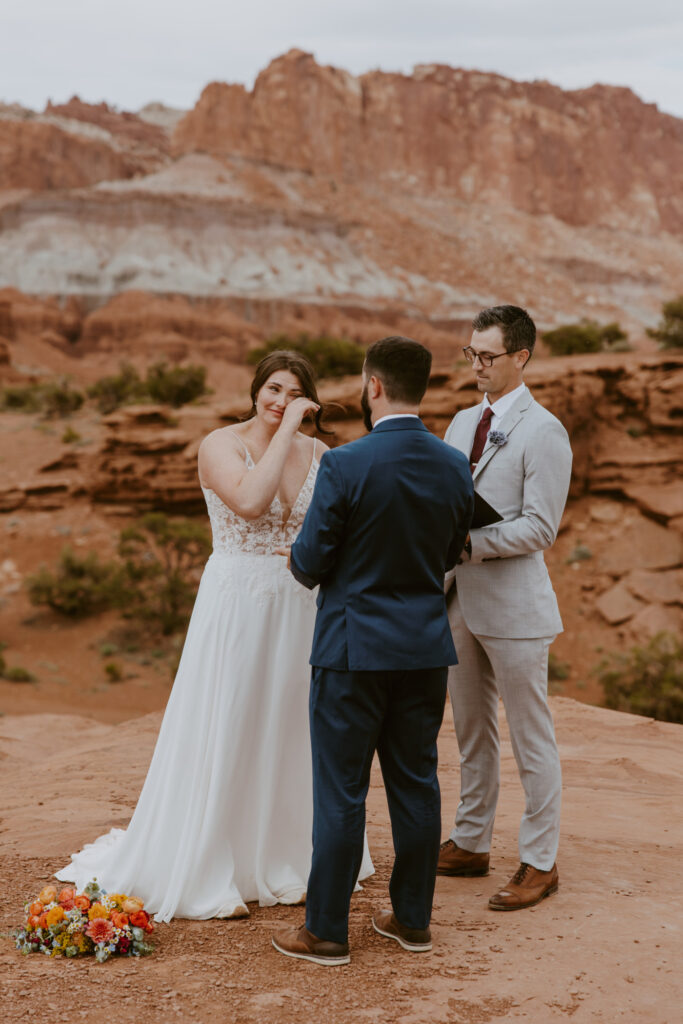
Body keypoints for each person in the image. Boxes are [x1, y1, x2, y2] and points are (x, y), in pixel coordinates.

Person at [57, 350, 372, 921]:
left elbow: (336, 532)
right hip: (236, 605)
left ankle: (287, 856)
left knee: (291, 722)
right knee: (230, 716)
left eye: (294, 392)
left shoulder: (323, 456)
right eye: (273, 389)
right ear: (256, 390)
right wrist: (289, 430)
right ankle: (213, 860)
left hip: (300, 605)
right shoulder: (219, 445)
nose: (280, 401)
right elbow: (251, 504)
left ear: (310, 397)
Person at [271, 336, 474, 966]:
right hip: (423, 650)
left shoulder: (345, 463)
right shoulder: (452, 463)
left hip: (351, 652)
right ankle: (412, 920)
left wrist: (303, 559)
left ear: (373, 385)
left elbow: (309, 563)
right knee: (417, 786)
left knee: (341, 791)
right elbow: (450, 553)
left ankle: (326, 931)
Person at [438, 304, 572, 911]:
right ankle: (471, 840)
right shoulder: (461, 421)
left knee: (530, 735)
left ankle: (540, 862)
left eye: (488, 356)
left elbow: (541, 527)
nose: (477, 366)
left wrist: (469, 542)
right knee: (471, 730)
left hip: (515, 605)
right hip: (457, 599)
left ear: (520, 356)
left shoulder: (545, 430)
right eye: (472, 353)